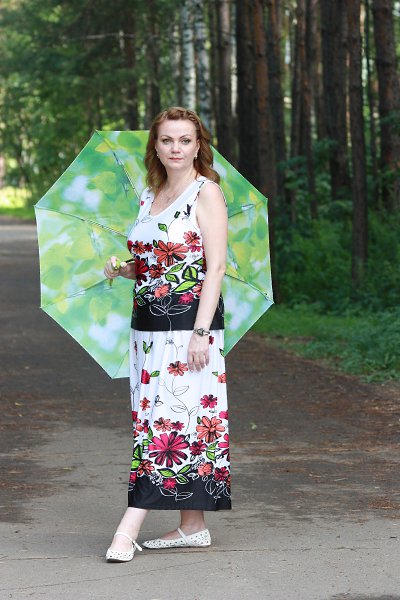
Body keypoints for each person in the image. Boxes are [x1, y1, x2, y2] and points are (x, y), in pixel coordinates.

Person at [103, 107, 230, 562]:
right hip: (147, 328)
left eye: (185, 140)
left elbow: (215, 266)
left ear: (198, 146)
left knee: (165, 424)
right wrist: (124, 268)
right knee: (166, 419)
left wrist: (201, 332)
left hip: (188, 327)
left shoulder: (206, 192)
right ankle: (192, 526)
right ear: (155, 147)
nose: (176, 148)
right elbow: (156, 260)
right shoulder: (150, 194)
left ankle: (126, 529)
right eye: (167, 140)